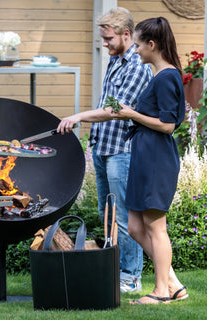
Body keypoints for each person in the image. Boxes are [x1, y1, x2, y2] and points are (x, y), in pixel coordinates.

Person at [57, 7, 153, 292]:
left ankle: (131, 278)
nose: (105, 44)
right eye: (103, 38)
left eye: (109, 38)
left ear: (126, 34)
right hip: (104, 146)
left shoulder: (136, 66)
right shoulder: (115, 59)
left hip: (123, 150)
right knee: (107, 213)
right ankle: (115, 270)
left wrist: (78, 117)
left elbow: (114, 110)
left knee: (124, 217)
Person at [108, 17, 188, 304]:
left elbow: (168, 125)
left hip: (156, 157)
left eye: (139, 44)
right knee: (135, 227)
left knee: (155, 227)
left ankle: (161, 291)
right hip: (144, 155)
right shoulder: (159, 76)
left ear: (152, 44)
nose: (136, 50)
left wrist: (132, 114)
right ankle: (173, 284)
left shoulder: (167, 77)